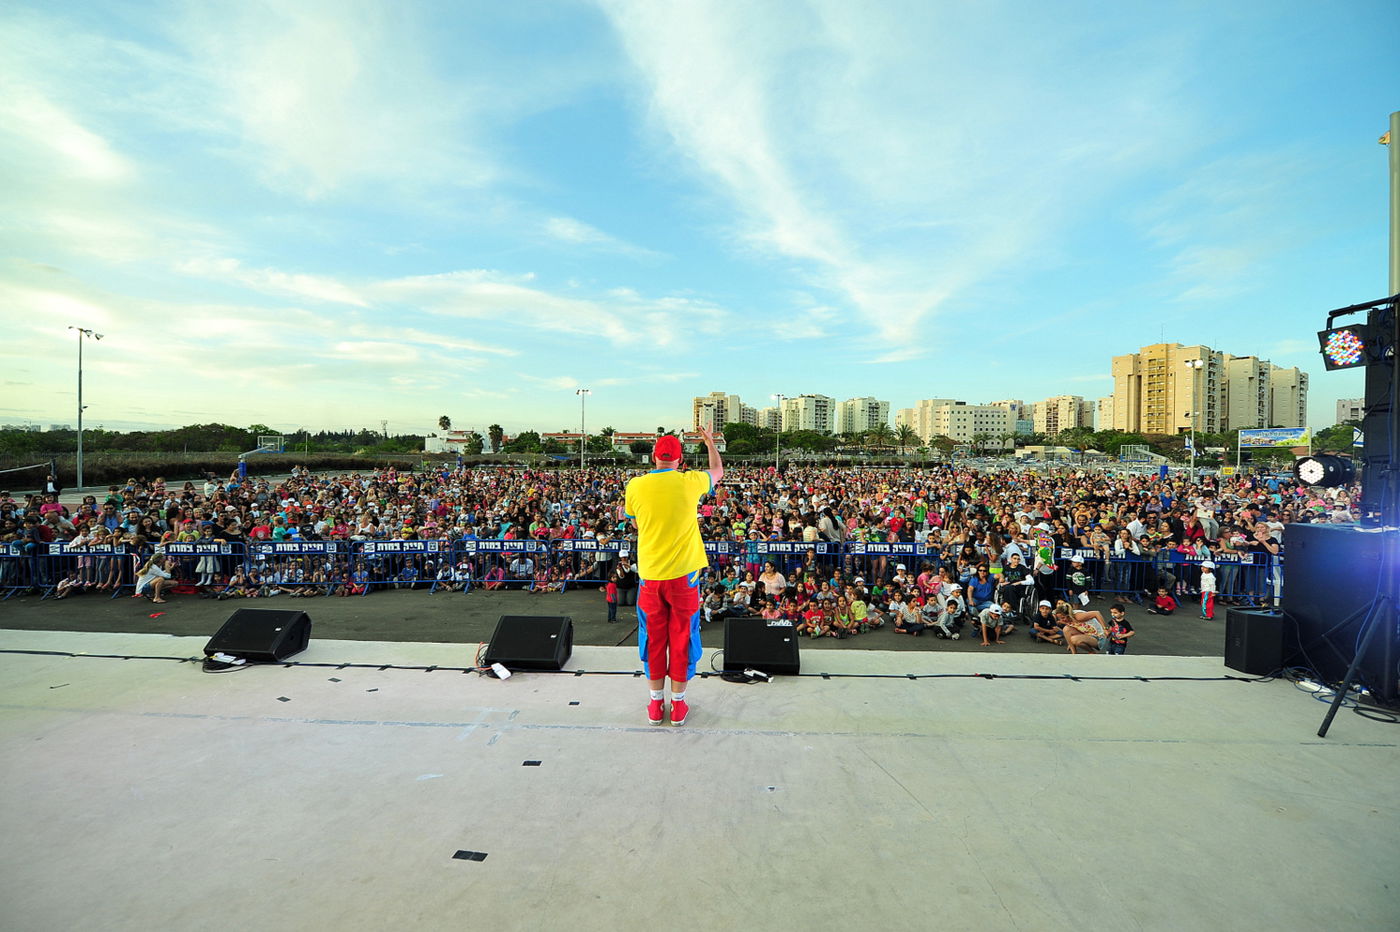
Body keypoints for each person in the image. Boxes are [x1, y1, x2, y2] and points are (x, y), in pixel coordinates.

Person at [622, 428, 722, 727]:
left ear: (654, 456)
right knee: (683, 637)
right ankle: (677, 706)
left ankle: (655, 704)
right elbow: (717, 470)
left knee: (652, 637)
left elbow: (637, 522)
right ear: (681, 459)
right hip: (684, 576)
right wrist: (710, 443)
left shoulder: (636, 486)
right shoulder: (690, 482)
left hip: (651, 574)